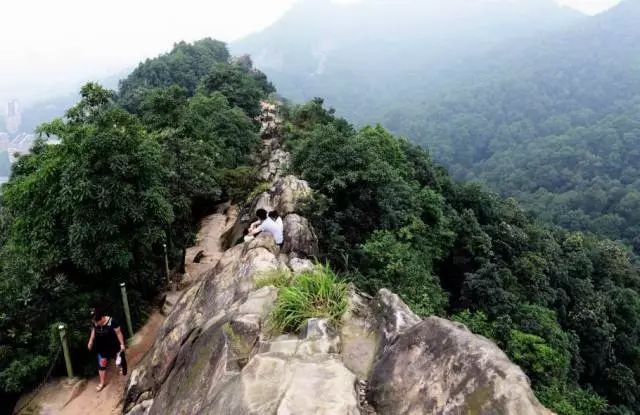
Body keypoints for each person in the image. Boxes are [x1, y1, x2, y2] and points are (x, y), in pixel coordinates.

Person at [87, 307, 126, 391]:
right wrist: (91, 341)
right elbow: (93, 330)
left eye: (97, 322)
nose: (96, 324)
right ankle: (102, 383)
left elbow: (119, 333)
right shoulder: (95, 323)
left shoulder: (112, 322)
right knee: (101, 365)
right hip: (102, 348)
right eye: (94, 322)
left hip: (114, 347)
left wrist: (122, 344)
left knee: (119, 362)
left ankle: (122, 369)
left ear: (102, 318)